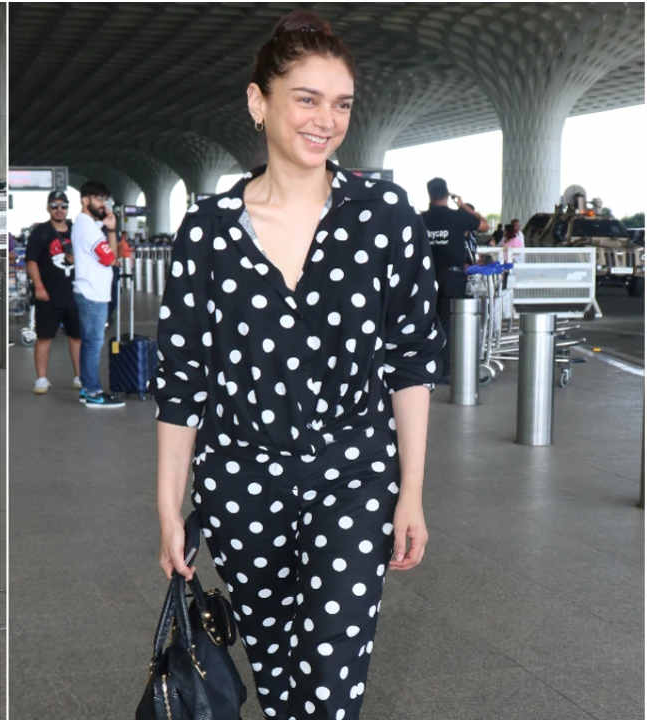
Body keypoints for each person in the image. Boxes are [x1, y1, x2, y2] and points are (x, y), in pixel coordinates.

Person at [155, 11, 443, 720]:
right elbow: (182, 379)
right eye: (307, 99)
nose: (327, 120)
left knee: (331, 686)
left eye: (341, 103)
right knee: (279, 678)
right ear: (260, 102)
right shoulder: (209, 230)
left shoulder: (382, 215)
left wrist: (412, 491)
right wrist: (167, 505)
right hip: (240, 479)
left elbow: (411, 360)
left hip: (355, 473)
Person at [420, 178, 487, 380]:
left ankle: (428, 367)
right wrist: (462, 205)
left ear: (429, 194)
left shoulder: (420, 218)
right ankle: (446, 370)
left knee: (426, 323)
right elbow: (483, 225)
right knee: (448, 324)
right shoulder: (457, 217)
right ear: (447, 194)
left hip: (425, 277)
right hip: (452, 277)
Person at [70, 180, 123, 408]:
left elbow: (112, 256)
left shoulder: (92, 226)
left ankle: (88, 388)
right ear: (85, 200)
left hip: (95, 292)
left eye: (105, 199)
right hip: (91, 293)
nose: (103, 204)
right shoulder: (85, 226)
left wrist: (111, 230)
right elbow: (110, 258)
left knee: (91, 342)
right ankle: (92, 392)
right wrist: (109, 232)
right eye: (99, 199)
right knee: (93, 343)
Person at [24, 190, 81, 394]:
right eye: (55, 206)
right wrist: (38, 286)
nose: (59, 210)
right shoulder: (40, 232)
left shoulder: (77, 229)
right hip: (48, 294)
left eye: (63, 206)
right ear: (48, 208)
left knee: (77, 336)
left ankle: (79, 376)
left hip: (75, 293)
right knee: (45, 336)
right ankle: (41, 378)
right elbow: (31, 261)